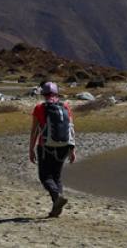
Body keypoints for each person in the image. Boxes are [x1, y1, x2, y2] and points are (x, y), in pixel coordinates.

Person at [29, 81, 76, 217]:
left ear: (43, 94)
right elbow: (71, 129)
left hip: (46, 147)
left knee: (45, 176)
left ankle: (57, 197)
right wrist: (73, 150)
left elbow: (34, 131)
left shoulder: (39, 108)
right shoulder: (66, 107)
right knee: (57, 176)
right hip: (64, 146)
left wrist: (31, 149)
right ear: (57, 93)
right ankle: (56, 206)